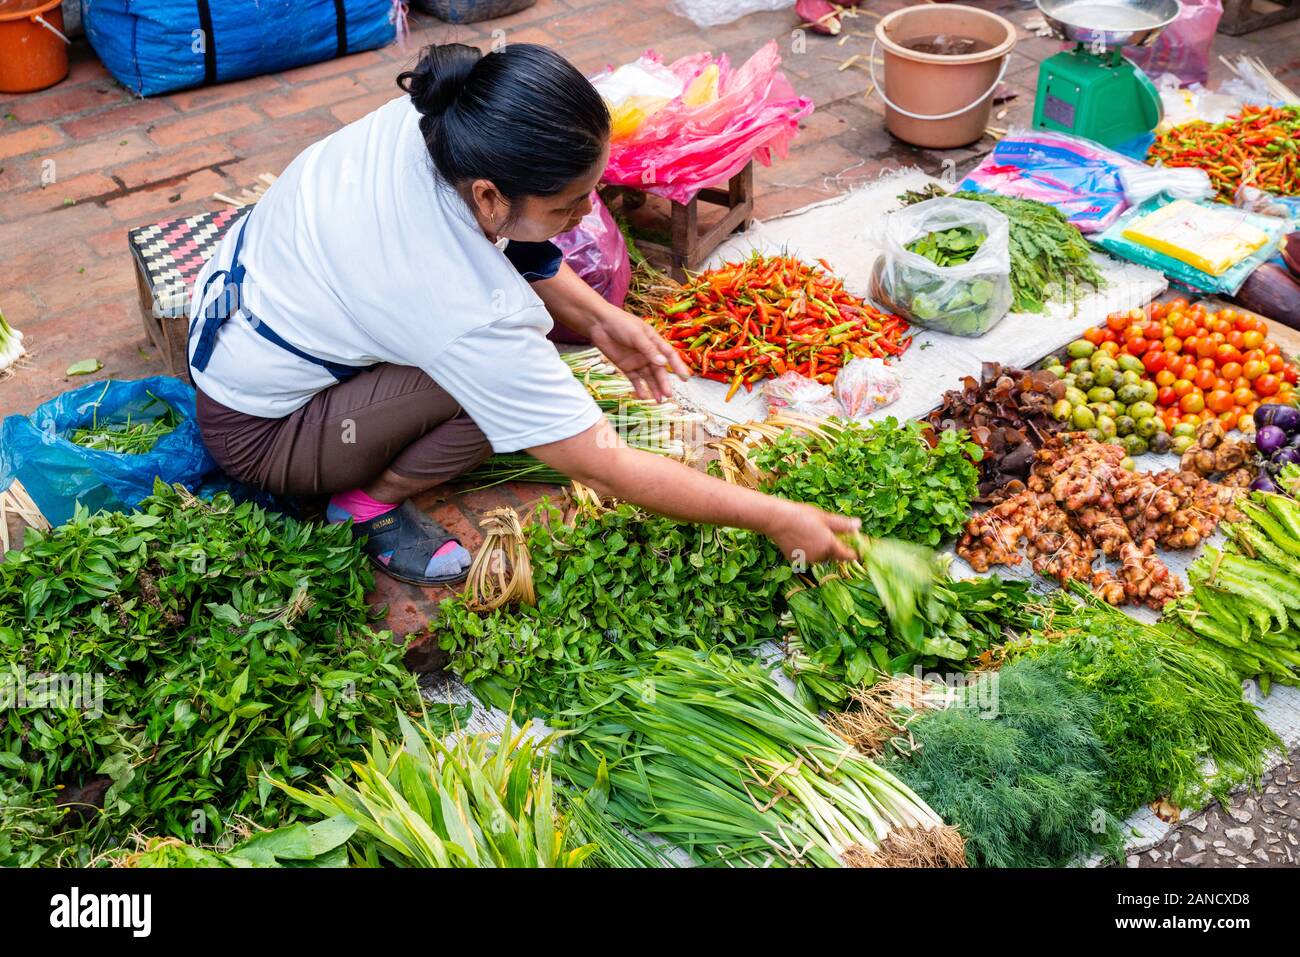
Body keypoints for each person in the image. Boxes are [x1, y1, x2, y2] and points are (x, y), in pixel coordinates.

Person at [188, 41, 858, 587]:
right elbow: (601, 465)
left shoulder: (442, 119)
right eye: (569, 206)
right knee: (490, 398)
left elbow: (507, 241)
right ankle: (369, 503)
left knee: (493, 363)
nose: (585, 218)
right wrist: (774, 516)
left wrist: (601, 320)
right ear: (488, 194)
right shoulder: (457, 302)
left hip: (235, 321)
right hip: (260, 433)